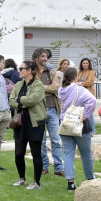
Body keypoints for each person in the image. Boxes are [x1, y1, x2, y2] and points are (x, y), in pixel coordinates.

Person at [57, 67, 97, 191]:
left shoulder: (61, 90)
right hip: (79, 123)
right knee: (86, 154)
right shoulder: (79, 90)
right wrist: (86, 115)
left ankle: (70, 182)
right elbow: (92, 100)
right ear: (76, 77)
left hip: (65, 123)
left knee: (68, 153)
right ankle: (90, 178)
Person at [9, 60, 47, 189]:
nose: (19, 71)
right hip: (20, 123)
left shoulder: (38, 85)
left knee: (36, 152)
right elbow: (11, 100)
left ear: (29, 70)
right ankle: (22, 178)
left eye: (21, 68)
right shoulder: (18, 84)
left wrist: (19, 100)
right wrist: (22, 103)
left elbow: (32, 100)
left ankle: (36, 182)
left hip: (35, 123)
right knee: (19, 153)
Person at [32, 48, 64, 176]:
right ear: (36, 58)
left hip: (52, 109)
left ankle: (59, 168)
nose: (45, 58)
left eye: (46, 56)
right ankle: (44, 166)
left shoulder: (52, 72)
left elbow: (56, 88)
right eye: (43, 56)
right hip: (38, 110)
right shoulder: (32, 72)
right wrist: (47, 88)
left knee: (56, 140)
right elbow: (32, 90)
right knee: (41, 141)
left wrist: (41, 87)